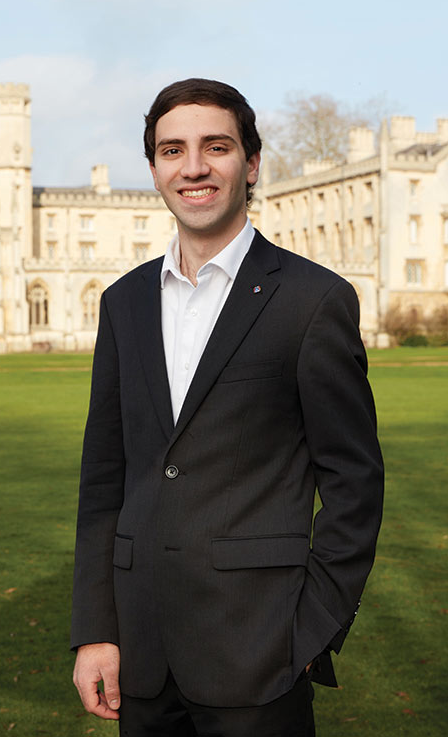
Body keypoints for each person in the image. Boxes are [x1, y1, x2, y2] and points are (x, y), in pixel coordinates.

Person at [71, 78, 384, 736]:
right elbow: (105, 479)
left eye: (216, 146)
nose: (194, 166)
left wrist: (306, 633)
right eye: (172, 149)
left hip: (260, 657)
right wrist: (97, 630)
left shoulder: (311, 300)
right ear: (154, 168)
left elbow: (354, 484)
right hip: (144, 660)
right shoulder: (123, 302)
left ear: (252, 164)